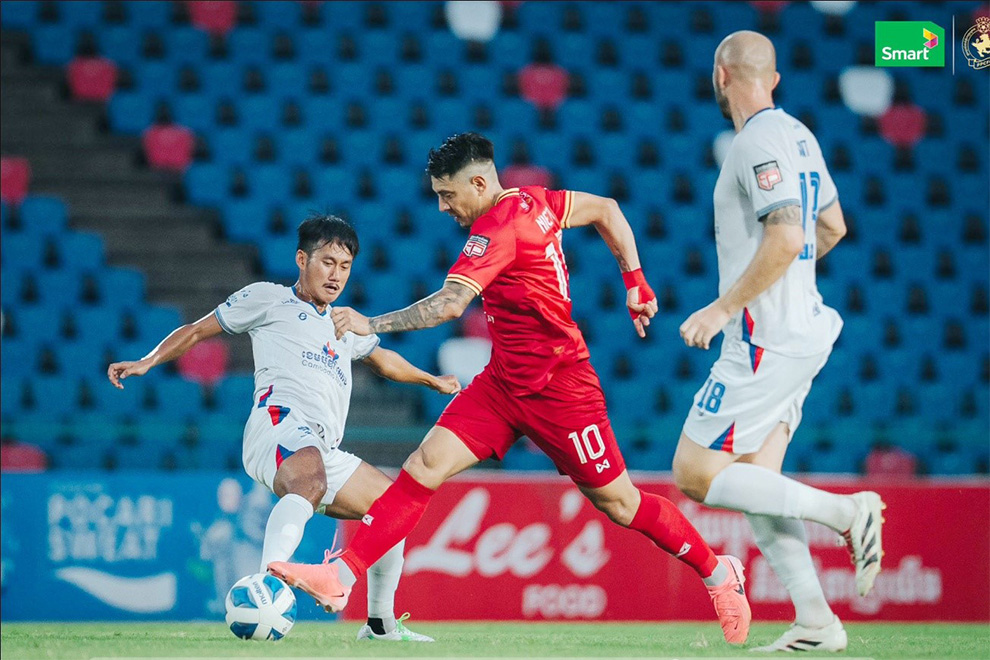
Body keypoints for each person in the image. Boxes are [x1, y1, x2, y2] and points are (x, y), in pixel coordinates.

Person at [268, 133, 753, 645]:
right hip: (503, 384)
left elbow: (450, 305)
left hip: (563, 389)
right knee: (423, 466)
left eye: (448, 194)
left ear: (479, 182)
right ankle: (340, 577)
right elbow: (607, 209)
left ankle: (719, 573)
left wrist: (373, 323)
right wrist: (635, 280)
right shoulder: (540, 202)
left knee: (620, 503)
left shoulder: (498, 228)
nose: (442, 206)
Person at [107, 215, 456, 642]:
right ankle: (267, 584)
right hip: (278, 422)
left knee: (392, 512)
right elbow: (198, 330)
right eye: (327, 262)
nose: (336, 274)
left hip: (323, 447)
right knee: (309, 477)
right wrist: (147, 361)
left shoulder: (344, 324)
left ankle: (380, 626)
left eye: (345, 266)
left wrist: (431, 380)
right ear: (301, 259)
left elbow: (384, 361)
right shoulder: (269, 298)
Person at [671, 31, 885, 653]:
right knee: (756, 482)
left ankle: (849, 514)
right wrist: (790, 288)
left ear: (721, 74)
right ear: (774, 77)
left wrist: (722, 307)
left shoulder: (757, 140)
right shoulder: (798, 135)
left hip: (764, 339)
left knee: (694, 471)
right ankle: (817, 622)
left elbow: (789, 236)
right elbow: (832, 226)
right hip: (803, 327)